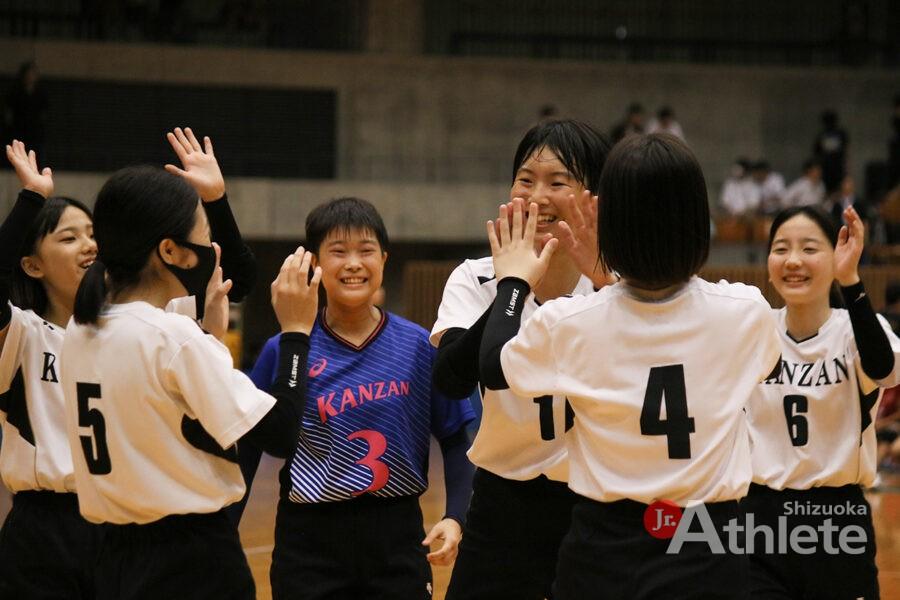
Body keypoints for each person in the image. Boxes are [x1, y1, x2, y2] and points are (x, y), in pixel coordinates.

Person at [478, 133, 781, 599]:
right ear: (698, 222)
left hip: (604, 548)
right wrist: (612, 280)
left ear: (611, 224)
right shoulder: (747, 312)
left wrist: (513, 281)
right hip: (708, 545)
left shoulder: (572, 322)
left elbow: (494, 365)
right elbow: (759, 364)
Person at [61, 164, 320, 600]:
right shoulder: (171, 336)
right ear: (171, 250)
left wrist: (207, 339)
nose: (211, 247)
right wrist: (296, 332)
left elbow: (165, 418)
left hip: (110, 553)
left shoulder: (80, 328)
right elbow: (280, 433)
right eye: (204, 234)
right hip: (188, 559)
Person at [244, 197, 475, 599]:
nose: (353, 263)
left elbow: (457, 436)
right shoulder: (285, 348)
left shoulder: (420, 346)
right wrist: (224, 528)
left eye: (366, 250)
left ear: (383, 260)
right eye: (338, 251)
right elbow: (248, 443)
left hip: (396, 534)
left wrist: (456, 515)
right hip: (308, 540)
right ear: (315, 263)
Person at [432, 118, 611, 600]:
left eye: (558, 182)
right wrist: (513, 285)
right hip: (501, 501)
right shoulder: (476, 277)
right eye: (526, 180)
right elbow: (451, 379)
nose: (537, 196)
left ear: (593, 198)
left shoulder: (615, 284)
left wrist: (609, 283)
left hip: (595, 500)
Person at [745, 204, 900, 600]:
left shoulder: (856, 329)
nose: (793, 260)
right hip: (760, 516)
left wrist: (851, 281)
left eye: (809, 248)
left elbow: (885, 370)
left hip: (837, 517)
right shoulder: (751, 330)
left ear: (836, 256)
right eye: (781, 248)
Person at [0, 141, 100, 599]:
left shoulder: (127, 333)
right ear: (32, 265)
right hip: (44, 531)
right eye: (69, 237)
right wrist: (31, 200)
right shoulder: (22, 333)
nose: (90, 246)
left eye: (92, 234)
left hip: (121, 519)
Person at [813, 110, 849, 195]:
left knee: (838, 189)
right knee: (827, 190)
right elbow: (816, 152)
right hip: (826, 167)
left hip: (837, 166)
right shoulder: (822, 135)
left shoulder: (840, 134)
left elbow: (846, 150)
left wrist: (846, 166)